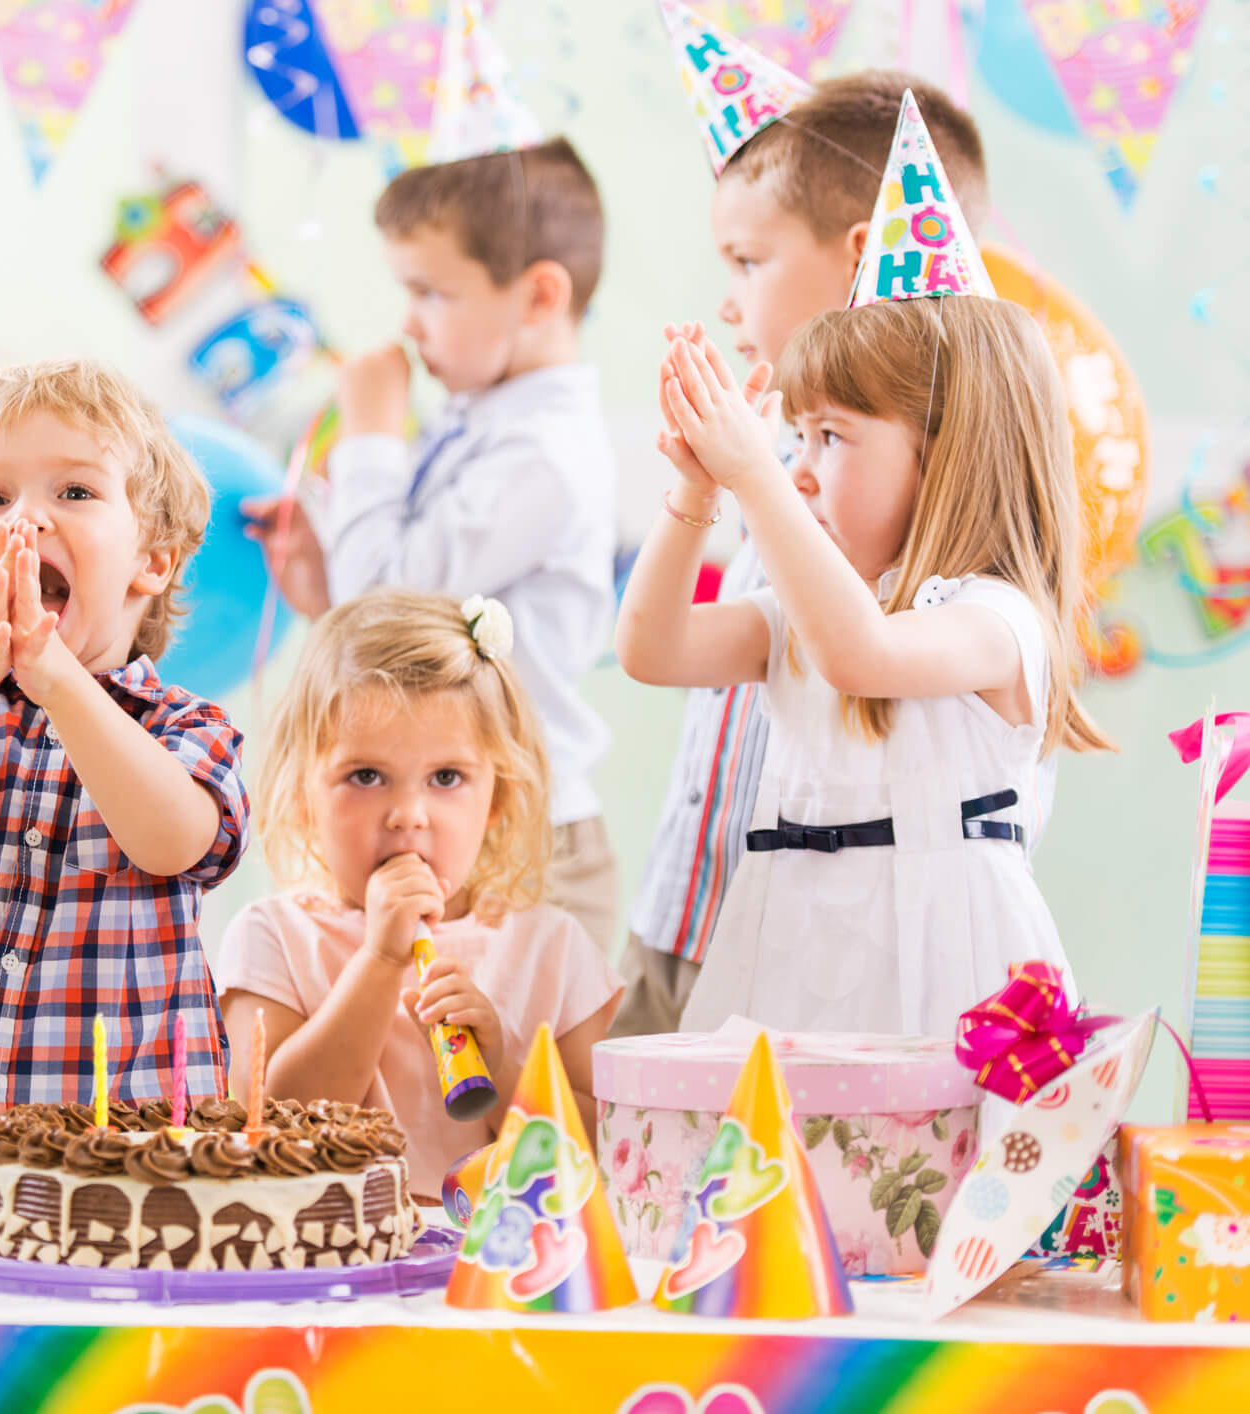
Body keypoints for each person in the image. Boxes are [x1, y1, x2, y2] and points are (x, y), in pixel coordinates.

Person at [617, 106, 1110, 1034]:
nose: (798, 465)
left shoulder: (993, 622)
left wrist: (754, 473)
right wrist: (693, 495)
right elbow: (654, 646)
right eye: (794, 436)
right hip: (792, 954)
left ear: (947, 447)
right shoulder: (800, 615)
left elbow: (864, 655)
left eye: (830, 437)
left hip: (941, 984)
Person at [0, 359, 247, 1201]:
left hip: (126, 1153)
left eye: (73, 492)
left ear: (154, 562)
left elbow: (177, 842)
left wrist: (58, 678)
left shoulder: (182, 729)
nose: (24, 520)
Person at [247, 139, 620, 951]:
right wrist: (324, 597)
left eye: (430, 292)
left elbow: (387, 589)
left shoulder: (542, 454)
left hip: (517, 842)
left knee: (522, 1079)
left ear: (537, 295)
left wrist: (372, 431)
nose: (410, 326)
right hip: (445, 818)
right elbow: (397, 619)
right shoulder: (483, 420)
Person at [216, 588, 619, 1192]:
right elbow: (269, 1126)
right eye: (366, 776)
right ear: (304, 797)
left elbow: (606, 1149)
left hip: (498, 1275)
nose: (408, 814)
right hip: (333, 1269)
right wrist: (379, 963)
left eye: (446, 778)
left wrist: (505, 1068)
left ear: (497, 801)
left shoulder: (551, 948)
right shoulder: (272, 937)